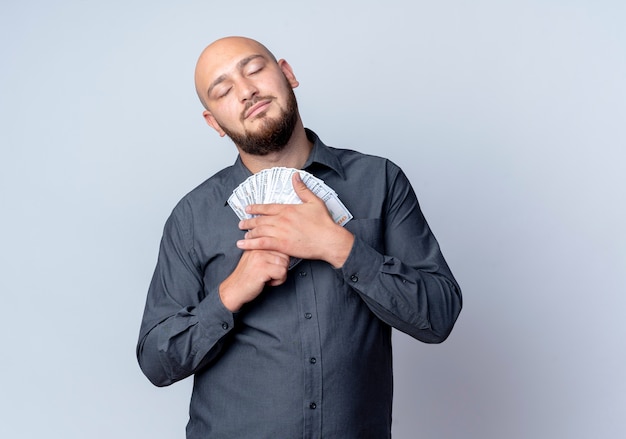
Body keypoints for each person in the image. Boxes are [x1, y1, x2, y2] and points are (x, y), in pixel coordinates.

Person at [137, 36, 462, 439]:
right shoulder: (191, 218)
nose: (246, 91)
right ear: (214, 123)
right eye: (222, 90)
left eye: (254, 69)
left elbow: (439, 317)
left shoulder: (379, 182)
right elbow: (156, 361)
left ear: (287, 74)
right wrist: (231, 293)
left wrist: (339, 246)